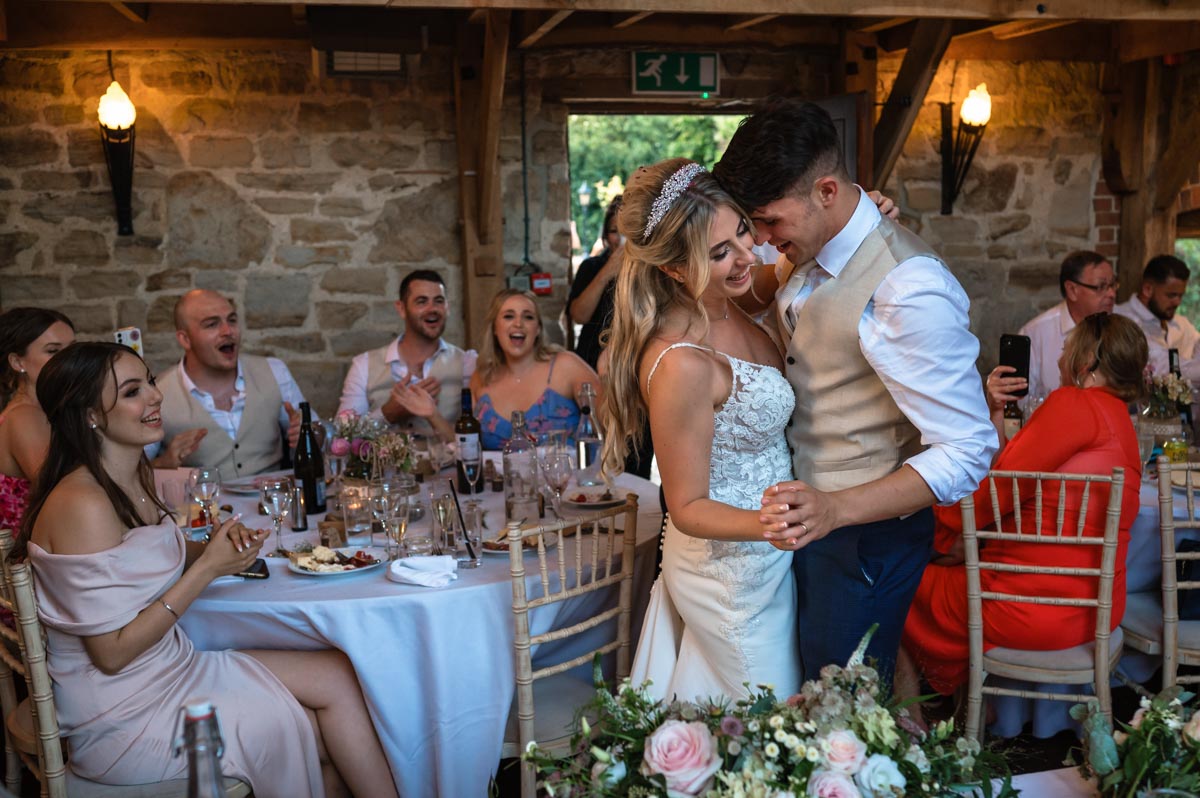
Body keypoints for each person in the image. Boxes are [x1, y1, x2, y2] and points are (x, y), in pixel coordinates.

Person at [13, 342, 397, 796]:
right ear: (90, 415)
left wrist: (212, 547)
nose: (155, 397)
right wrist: (208, 569)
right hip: (125, 714)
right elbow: (111, 654)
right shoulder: (82, 503)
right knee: (320, 737)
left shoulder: (132, 477)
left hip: (171, 669)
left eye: (150, 382)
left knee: (337, 672)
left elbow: (145, 556)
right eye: (133, 391)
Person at [713, 98, 996, 685]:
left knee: (842, 715)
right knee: (814, 695)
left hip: (865, 535)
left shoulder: (908, 289)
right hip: (812, 525)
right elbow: (758, 304)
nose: (761, 240)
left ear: (825, 191)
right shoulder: (809, 242)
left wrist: (837, 509)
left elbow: (968, 448)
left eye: (769, 222)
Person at [601, 159, 801, 702]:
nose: (746, 257)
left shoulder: (736, 299)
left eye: (742, 233)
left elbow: (790, 265)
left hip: (773, 558)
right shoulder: (682, 363)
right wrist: (774, 525)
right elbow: (686, 506)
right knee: (762, 720)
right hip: (729, 574)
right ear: (672, 269)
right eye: (718, 254)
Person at [900, 313, 1145, 704]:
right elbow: (1013, 476)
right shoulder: (1120, 420)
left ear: (1087, 363)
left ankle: (908, 715)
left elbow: (994, 494)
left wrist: (939, 529)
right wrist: (995, 413)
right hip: (1094, 611)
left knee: (897, 580)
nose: (1060, 360)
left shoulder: (1074, 404)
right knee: (948, 560)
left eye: (1066, 351)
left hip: (1027, 609)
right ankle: (975, 707)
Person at [149, 289, 315, 477]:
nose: (228, 331)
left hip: (274, 502)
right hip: (202, 505)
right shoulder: (156, 395)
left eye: (232, 320)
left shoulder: (274, 371)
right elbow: (130, 471)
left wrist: (310, 433)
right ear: (185, 339)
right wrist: (165, 463)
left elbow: (322, 434)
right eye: (212, 324)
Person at [338, 269, 473, 439]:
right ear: (401, 308)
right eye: (422, 302)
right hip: (385, 466)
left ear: (447, 308)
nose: (432, 309)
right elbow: (342, 439)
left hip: (447, 465)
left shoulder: (467, 363)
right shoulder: (363, 365)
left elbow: (478, 437)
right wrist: (388, 414)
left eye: (439, 301)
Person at [471, 289, 599, 451]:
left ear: (537, 329)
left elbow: (613, 424)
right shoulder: (482, 376)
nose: (518, 323)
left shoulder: (565, 366)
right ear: (495, 328)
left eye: (528, 317)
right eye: (509, 316)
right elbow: (461, 445)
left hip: (571, 476)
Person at [0, 308, 75, 532]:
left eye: (72, 349)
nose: (68, 360)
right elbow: (62, 488)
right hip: (26, 555)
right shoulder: (24, 416)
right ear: (17, 362)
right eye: (53, 351)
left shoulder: (45, 410)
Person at [1017, 251, 1117, 402]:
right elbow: (1020, 402)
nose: (1112, 293)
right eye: (1101, 286)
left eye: (1113, 285)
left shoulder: (1119, 328)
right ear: (1072, 290)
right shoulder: (1035, 334)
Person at [1115, 254, 1200, 380]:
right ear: (1147, 289)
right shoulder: (1121, 321)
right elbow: (1161, 364)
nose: (1177, 302)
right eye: (1171, 295)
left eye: (1180, 296)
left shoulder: (1180, 323)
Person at [568, 196, 624, 370]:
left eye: (627, 230)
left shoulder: (651, 272)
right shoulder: (591, 267)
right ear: (606, 236)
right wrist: (607, 271)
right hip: (591, 360)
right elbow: (578, 316)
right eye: (615, 231)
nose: (621, 238)